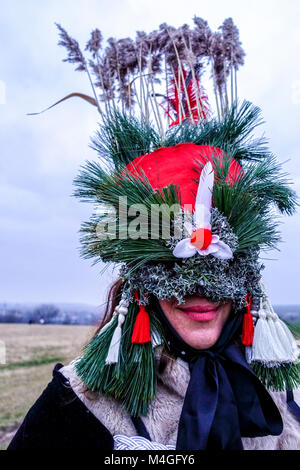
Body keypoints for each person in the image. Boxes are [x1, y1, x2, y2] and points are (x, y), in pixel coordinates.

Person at [8, 18, 300, 450]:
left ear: (248, 268)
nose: (200, 287)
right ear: (140, 274)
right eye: (173, 262)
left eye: (218, 261)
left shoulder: (281, 383)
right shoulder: (76, 406)